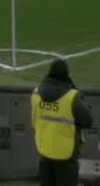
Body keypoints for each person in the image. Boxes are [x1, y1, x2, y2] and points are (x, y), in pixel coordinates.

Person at [31, 57, 92, 185]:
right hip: (66, 155)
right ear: (67, 75)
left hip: (45, 153)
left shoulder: (36, 94)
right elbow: (87, 121)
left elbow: (34, 122)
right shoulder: (72, 96)